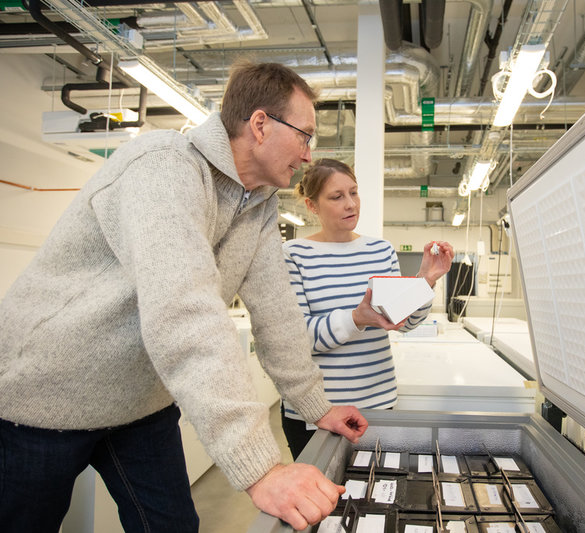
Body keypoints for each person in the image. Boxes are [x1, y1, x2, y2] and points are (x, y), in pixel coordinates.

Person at [0, 62, 367, 532]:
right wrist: (261, 469)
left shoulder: (257, 202)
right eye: (304, 135)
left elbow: (277, 311)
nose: (309, 154)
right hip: (44, 397)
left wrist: (317, 406)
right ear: (260, 125)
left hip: (139, 403)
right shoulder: (163, 167)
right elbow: (184, 312)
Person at [281, 159, 454, 457]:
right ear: (312, 206)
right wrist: (356, 319)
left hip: (377, 402)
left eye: (354, 193)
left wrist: (425, 281)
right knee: (324, 501)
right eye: (337, 197)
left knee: (378, 495)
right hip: (317, 411)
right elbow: (296, 339)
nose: (351, 204)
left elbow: (406, 321)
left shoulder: (381, 250)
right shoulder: (294, 254)